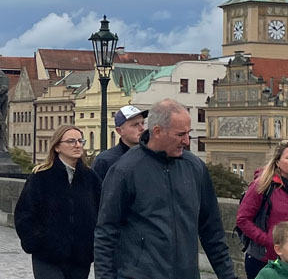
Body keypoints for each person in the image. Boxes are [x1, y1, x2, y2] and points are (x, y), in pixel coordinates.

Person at [94, 99, 235, 279]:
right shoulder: (125, 170)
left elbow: (212, 231)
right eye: (180, 134)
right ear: (157, 131)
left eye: (188, 133)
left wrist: (228, 275)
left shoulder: (195, 168)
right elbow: (106, 234)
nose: (186, 141)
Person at [14, 125, 100, 279]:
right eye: (71, 141)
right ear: (57, 147)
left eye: (80, 141)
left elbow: (101, 213)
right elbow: (24, 214)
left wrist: (91, 245)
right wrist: (36, 242)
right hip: (47, 257)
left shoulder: (90, 178)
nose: (78, 145)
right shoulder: (41, 177)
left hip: (80, 257)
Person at [237, 141, 288, 277]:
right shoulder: (262, 185)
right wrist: (267, 239)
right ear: (277, 162)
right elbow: (242, 219)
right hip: (263, 259)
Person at [91, 105, 147, 180]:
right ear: (120, 131)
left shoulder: (152, 156)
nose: (142, 128)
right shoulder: (104, 161)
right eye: (135, 125)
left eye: (142, 123)